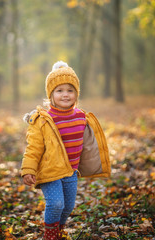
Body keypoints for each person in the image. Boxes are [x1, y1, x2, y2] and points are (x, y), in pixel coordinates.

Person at [21, 61, 111, 240]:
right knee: (56, 204)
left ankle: (59, 230)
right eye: (59, 90)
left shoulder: (81, 117)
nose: (65, 95)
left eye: (70, 90)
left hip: (70, 171)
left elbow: (88, 143)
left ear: (76, 93)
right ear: (51, 94)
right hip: (50, 170)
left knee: (68, 206)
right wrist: (28, 169)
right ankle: (50, 235)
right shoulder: (44, 120)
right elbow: (33, 147)